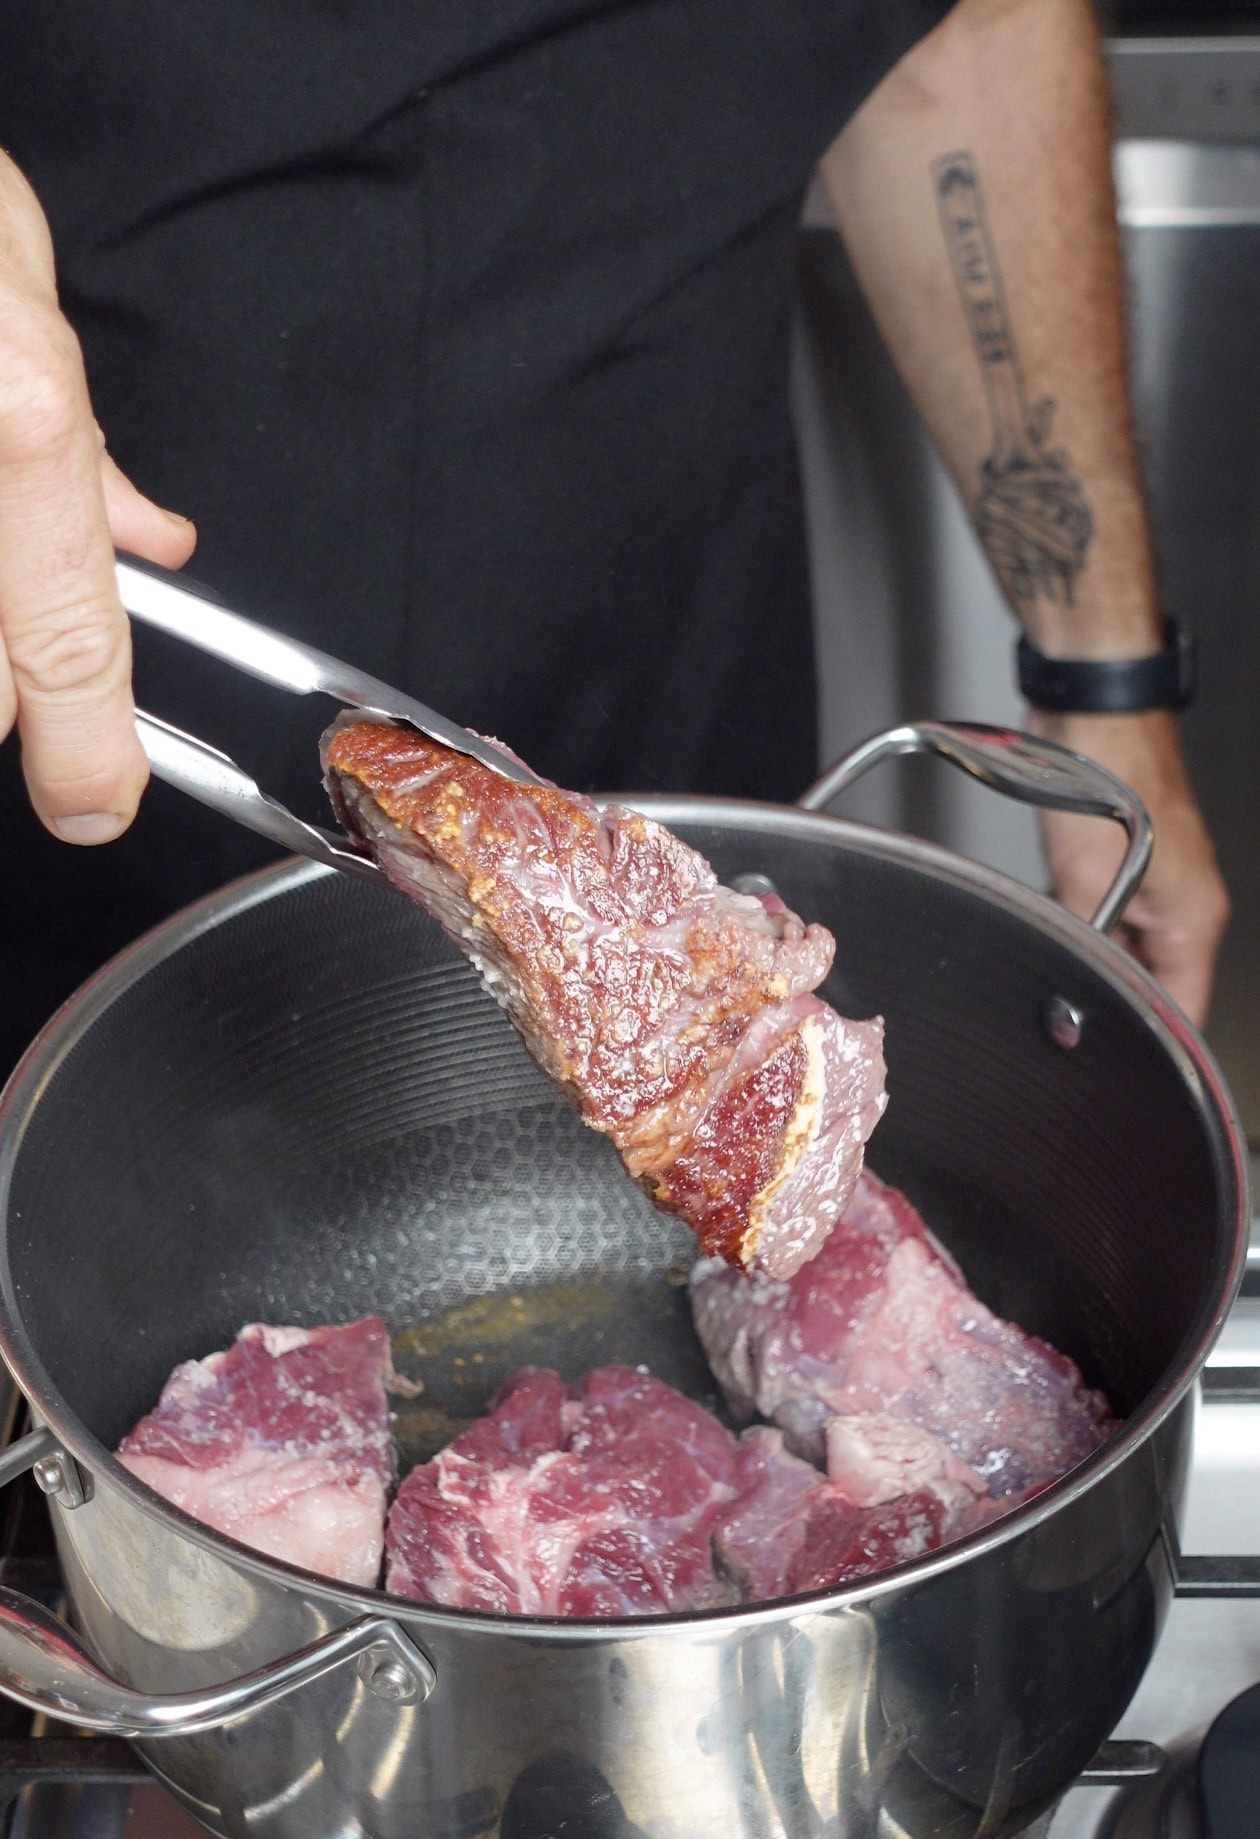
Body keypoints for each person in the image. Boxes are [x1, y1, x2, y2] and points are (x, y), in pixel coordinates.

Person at [0, 0, 1227, 1076]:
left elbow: (956, 39)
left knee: (726, 1130)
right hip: (70, 658)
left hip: (669, 657)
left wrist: (1099, 672)